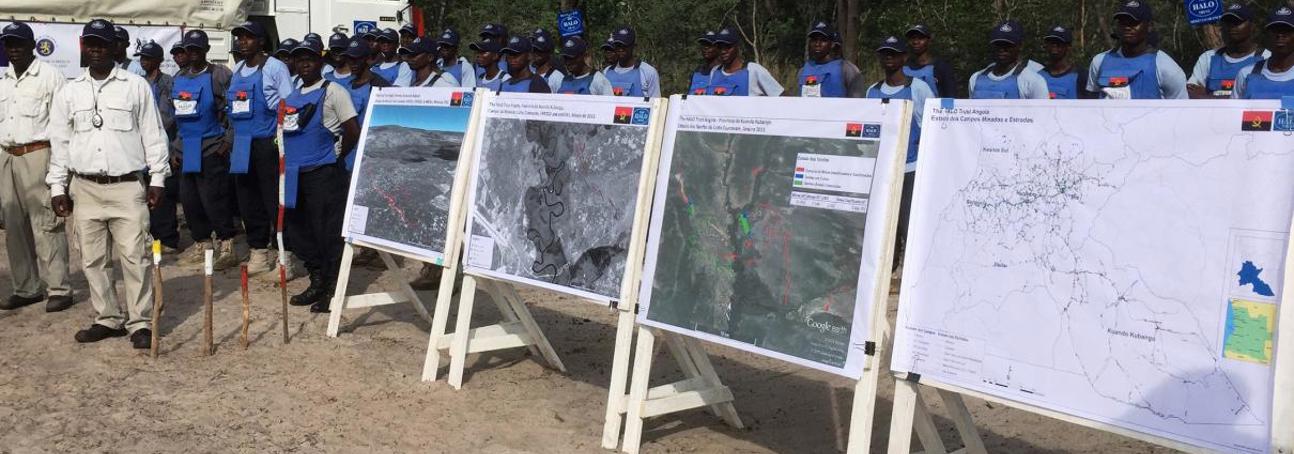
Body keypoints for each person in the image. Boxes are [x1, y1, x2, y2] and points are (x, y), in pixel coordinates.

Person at [47, 18, 169, 347]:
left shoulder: (135, 86)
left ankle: (141, 322)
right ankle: (107, 318)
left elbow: (153, 136)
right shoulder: (69, 91)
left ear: (115, 48)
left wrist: (157, 177)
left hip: (127, 186)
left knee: (135, 256)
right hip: (84, 188)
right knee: (92, 258)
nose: (97, 50)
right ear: (84, 47)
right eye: (91, 44)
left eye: (102, 44)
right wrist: (57, 186)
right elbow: (60, 143)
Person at [282, 37, 360, 313]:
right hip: (294, 175)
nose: (304, 63)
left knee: (327, 234)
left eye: (310, 58)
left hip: (324, 175)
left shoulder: (334, 91)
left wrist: (336, 155)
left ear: (320, 61)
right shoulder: (292, 92)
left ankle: (331, 289)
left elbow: (353, 130)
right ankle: (316, 280)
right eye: (299, 59)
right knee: (301, 232)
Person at [0, 21, 72, 312]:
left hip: (39, 154)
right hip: (6, 156)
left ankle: (59, 288)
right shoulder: (3, 80)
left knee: (46, 225)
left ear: (32, 46)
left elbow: (63, 126)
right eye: (8, 44)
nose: (13, 49)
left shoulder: (50, 77)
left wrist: (60, 169)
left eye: (18, 43)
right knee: (13, 227)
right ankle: (27, 288)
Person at [230, 21, 301, 279]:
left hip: (267, 143)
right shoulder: (237, 69)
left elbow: (290, 103)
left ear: (261, 41)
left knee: (275, 201)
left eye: (248, 38)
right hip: (241, 144)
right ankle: (258, 253)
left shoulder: (275, 68)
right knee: (248, 201)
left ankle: (286, 258)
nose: (242, 42)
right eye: (240, 38)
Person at [865, 35, 933, 274]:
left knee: (908, 225)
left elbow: (931, 128)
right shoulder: (871, 91)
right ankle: (886, 273)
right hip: (883, 171)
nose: (889, 58)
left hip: (910, 169)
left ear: (904, 57)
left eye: (894, 53)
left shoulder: (918, 88)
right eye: (885, 53)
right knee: (884, 227)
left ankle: (914, 275)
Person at [173, 30, 239, 270]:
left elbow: (235, 110)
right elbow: (175, 117)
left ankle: (226, 244)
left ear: (206, 50)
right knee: (190, 201)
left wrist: (227, 142)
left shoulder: (220, 75)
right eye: (188, 49)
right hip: (185, 149)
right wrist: (174, 149)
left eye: (196, 50)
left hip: (212, 147)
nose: (191, 54)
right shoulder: (178, 77)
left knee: (215, 199)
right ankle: (202, 243)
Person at [1088, 1, 1188, 99]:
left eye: (1133, 22)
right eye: (1122, 22)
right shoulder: (1099, 62)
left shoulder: (1166, 66)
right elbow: (1090, 107)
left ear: (1149, 26)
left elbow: (1181, 111)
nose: (1127, 27)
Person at [138, 41, 182, 255]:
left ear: (157, 61)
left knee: (165, 195)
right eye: (142, 58)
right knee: (146, 194)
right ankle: (153, 238)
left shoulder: (168, 83)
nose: (143, 61)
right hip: (143, 147)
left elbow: (174, 117)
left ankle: (169, 239)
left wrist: (174, 149)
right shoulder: (138, 83)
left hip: (166, 143)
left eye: (147, 58)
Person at [1188, 3, 1269, 98]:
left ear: (1252, 26)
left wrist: (1209, 96)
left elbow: (1263, 99)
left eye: (1237, 22)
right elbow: (1191, 91)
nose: (1231, 27)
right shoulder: (1208, 58)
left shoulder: (1267, 57)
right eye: (1227, 22)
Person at [340, 38, 391, 171]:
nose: (352, 63)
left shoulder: (380, 86)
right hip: (346, 154)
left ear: (368, 59)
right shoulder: (347, 85)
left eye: (357, 59)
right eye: (349, 59)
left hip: (366, 159)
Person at [969, 21, 1050, 99]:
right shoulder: (976, 79)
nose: (1002, 49)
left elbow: (1043, 112)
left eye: (1007, 45)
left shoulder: (1033, 81)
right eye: (998, 44)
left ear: (1020, 46)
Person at [1233, 6, 1294, 99]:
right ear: (1266, 35)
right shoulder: (1246, 74)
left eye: (1286, 30)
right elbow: (1233, 112)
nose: (1280, 35)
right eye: (1274, 30)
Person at [703, 27, 783, 96]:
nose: (723, 51)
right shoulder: (714, 72)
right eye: (720, 47)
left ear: (737, 46)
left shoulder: (753, 70)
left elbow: (781, 95)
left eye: (728, 46)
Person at [796, 21, 864, 97]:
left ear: (832, 44)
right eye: (814, 40)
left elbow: (858, 103)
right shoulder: (802, 72)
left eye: (823, 40)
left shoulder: (847, 69)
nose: (817, 44)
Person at [1039, 25, 1096, 99]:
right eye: (1051, 43)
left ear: (1068, 47)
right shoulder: (1038, 76)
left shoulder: (1082, 77)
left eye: (1058, 43)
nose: (1054, 46)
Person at [904, 24, 959, 98]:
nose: (916, 42)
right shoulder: (903, 67)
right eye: (912, 38)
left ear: (929, 41)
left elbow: (951, 97)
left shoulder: (941, 67)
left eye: (920, 38)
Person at [603, 27, 661, 97]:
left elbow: (656, 104)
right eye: (618, 45)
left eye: (624, 45)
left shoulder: (648, 72)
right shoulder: (606, 72)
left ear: (634, 46)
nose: (621, 49)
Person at [689, 30, 719, 95]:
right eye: (703, 44)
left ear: (718, 47)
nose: (706, 47)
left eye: (710, 44)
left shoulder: (724, 72)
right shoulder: (697, 73)